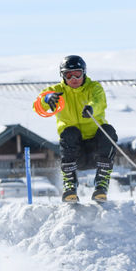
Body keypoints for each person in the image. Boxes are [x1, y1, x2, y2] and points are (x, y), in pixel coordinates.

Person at [33, 55, 118, 203]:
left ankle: (101, 185)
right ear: (63, 76)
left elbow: (100, 102)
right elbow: (38, 105)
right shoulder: (57, 91)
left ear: (84, 73)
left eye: (77, 74)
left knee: (108, 131)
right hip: (74, 150)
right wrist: (47, 99)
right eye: (68, 74)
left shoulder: (93, 87)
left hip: (95, 150)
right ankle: (70, 186)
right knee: (69, 133)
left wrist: (91, 108)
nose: (73, 78)